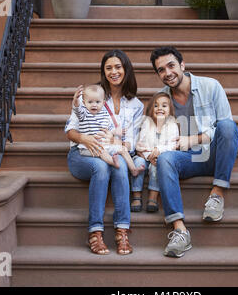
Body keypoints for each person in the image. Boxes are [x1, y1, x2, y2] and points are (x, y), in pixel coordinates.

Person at [149, 46, 238, 258]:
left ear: (182, 65)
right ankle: (180, 231)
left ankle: (217, 195)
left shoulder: (211, 86)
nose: (167, 72)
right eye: (161, 70)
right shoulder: (161, 99)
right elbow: (155, 132)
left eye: (171, 65)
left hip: (214, 154)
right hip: (187, 159)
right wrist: (153, 150)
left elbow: (226, 128)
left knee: (227, 126)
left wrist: (195, 138)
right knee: (165, 159)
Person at [65, 49, 143, 255]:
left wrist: (113, 140)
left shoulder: (136, 105)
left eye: (118, 67)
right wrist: (84, 138)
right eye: (108, 68)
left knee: (119, 167)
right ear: (103, 71)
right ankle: (95, 232)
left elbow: (131, 144)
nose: (114, 72)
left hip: (112, 151)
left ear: (126, 70)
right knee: (101, 166)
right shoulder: (92, 95)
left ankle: (122, 230)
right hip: (81, 154)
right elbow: (70, 130)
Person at [73, 83, 145, 176]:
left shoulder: (104, 115)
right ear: (84, 102)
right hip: (89, 147)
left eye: (97, 102)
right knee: (102, 152)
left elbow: (109, 128)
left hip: (103, 145)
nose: (94, 105)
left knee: (123, 149)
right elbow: (77, 110)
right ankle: (112, 162)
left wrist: (115, 131)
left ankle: (133, 169)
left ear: (103, 103)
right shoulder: (84, 114)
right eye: (90, 102)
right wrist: (76, 102)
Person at [131, 91, 179, 213]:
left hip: (160, 157)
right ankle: (136, 196)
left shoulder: (172, 124)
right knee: (138, 162)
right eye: (156, 105)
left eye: (164, 105)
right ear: (151, 109)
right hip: (145, 155)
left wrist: (158, 151)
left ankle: (153, 196)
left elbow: (173, 145)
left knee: (156, 166)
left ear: (170, 109)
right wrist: (148, 156)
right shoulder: (147, 123)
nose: (160, 108)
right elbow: (141, 144)